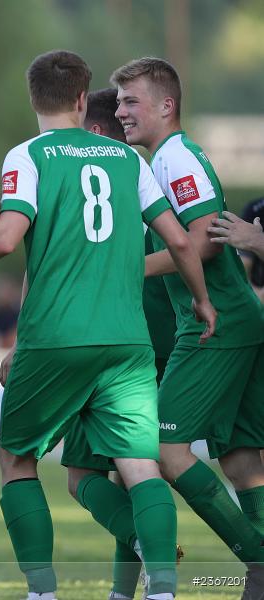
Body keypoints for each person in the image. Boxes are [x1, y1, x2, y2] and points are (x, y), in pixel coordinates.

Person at [0, 50, 216, 600]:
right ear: (83, 99)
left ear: (34, 99)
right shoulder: (127, 159)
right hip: (126, 342)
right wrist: (201, 300)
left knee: (16, 459)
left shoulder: (28, 155)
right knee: (140, 466)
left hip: (55, 337)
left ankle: (42, 591)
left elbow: (8, 239)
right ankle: (163, 588)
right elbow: (180, 240)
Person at [113, 57, 264, 597]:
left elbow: (202, 241)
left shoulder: (176, 158)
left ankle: (259, 559)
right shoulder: (164, 160)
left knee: (161, 450)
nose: (121, 111)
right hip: (232, 318)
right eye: (119, 101)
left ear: (166, 105)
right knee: (241, 457)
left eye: (131, 101)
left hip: (215, 323)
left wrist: (123, 269)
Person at [56, 86, 180, 600]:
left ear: (93, 130)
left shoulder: (89, 177)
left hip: (102, 336)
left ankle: (148, 551)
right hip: (152, 339)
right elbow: (182, 244)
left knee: (84, 474)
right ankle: (131, 587)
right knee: (133, 474)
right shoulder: (146, 176)